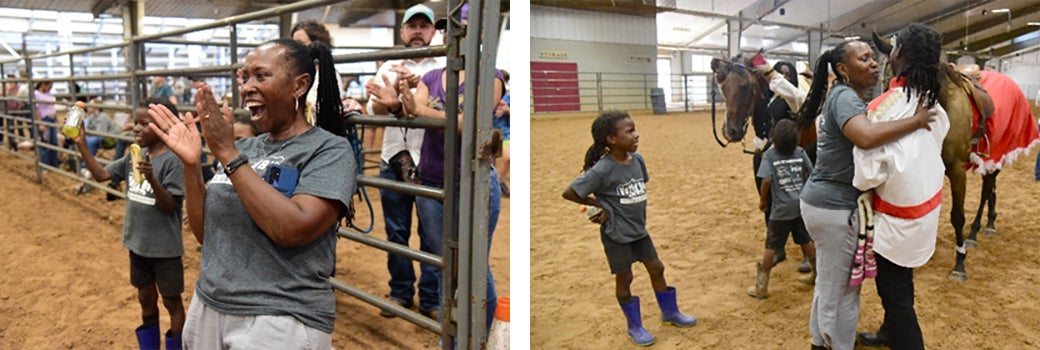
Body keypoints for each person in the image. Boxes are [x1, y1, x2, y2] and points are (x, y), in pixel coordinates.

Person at [147, 37, 354, 348]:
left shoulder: (329, 150)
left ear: (299, 86)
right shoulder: (246, 148)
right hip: (210, 304)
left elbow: (293, 229)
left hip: (279, 317)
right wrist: (191, 165)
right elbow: (206, 233)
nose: (246, 87)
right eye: (244, 77)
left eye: (261, 75)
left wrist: (228, 155)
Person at [794, 39, 935, 350]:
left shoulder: (846, 96)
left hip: (825, 204)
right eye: (864, 59)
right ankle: (836, 345)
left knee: (829, 284)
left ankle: (821, 341)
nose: (874, 63)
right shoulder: (845, 98)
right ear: (843, 69)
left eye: (873, 57)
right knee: (843, 290)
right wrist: (917, 120)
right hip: (835, 207)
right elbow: (866, 137)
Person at [397, 2, 504, 331]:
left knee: (473, 266)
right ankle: (452, 337)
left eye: (466, 27)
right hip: (432, 181)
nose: (457, 34)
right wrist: (404, 100)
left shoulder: (491, 76)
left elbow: (471, 125)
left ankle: (476, 336)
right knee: (448, 266)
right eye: (453, 28)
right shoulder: (431, 76)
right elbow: (420, 115)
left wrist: (420, 110)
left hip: (473, 180)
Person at [852, 23, 950, 350]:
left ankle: (906, 339)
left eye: (892, 49)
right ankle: (889, 332)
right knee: (903, 281)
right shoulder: (933, 101)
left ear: (900, 54)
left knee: (893, 293)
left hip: (895, 220)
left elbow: (868, 174)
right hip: (926, 211)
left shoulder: (884, 107)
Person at [561, 110, 697, 346]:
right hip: (617, 235)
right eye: (630, 131)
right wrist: (596, 204)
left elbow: (637, 186)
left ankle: (670, 313)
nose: (636, 135)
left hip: (639, 231)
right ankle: (634, 326)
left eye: (635, 130)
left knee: (657, 268)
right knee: (625, 279)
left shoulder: (638, 160)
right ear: (611, 139)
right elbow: (570, 192)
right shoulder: (602, 169)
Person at [72, 97, 186, 350]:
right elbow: (102, 175)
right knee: (145, 298)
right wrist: (82, 145)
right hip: (138, 244)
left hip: (165, 249)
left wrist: (152, 179)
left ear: (162, 127)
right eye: (135, 122)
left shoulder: (173, 161)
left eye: (144, 124)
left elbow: (170, 206)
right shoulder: (133, 155)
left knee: (171, 302)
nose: (136, 128)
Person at [364, 3, 445, 318]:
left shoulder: (445, 65)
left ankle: (430, 299)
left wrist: (413, 94)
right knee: (396, 231)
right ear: (403, 31)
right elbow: (372, 112)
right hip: (393, 157)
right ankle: (400, 293)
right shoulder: (388, 67)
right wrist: (390, 101)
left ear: (432, 32)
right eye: (413, 26)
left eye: (424, 26)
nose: (418, 32)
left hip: (430, 160)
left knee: (431, 233)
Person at [747, 119, 817, 299]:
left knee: (771, 245)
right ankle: (817, 274)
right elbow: (811, 174)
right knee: (805, 240)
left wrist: (763, 200)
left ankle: (761, 287)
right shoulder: (800, 152)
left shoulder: (770, 156)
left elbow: (766, 180)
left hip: (780, 209)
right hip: (799, 205)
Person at [290, 20, 363, 115]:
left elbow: (330, 108)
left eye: (301, 44)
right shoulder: (293, 72)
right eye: (293, 44)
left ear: (316, 45)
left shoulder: (328, 75)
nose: (296, 49)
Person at [33, 81, 59, 167]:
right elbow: (36, 109)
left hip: (52, 118)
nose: (50, 88)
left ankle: (54, 163)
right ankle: (44, 164)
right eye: (49, 86)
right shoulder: (36, 94)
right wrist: (40, 123)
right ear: (43, 85)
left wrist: (57, 119)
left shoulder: (49, 94)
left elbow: (53, 107)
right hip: (45, 119)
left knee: (54, 141)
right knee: (45, 142)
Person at [494, 70, 511, 198]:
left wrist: (507, 109)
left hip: (505, 133)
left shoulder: (509, 98)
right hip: (490, 132)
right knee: (489, 161)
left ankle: (499, 180)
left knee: (508, 158)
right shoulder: (488, 96)